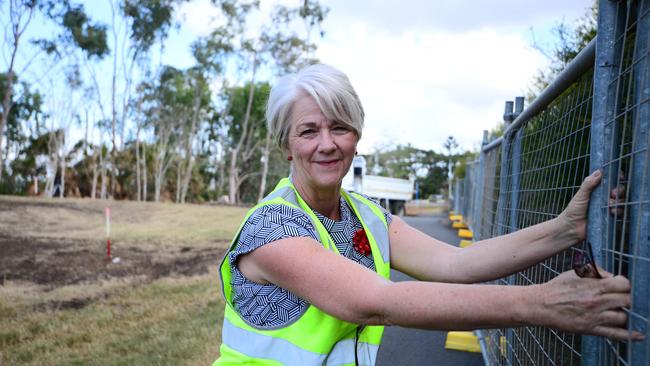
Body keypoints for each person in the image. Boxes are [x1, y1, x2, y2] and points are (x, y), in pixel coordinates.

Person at [214, 64, 643, 365]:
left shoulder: (365, 215)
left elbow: (457, 264)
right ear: (286, 146)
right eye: (309, 131)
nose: (326, 143)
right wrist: (543, 303)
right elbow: (376, 303)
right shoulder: (272, 229)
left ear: (357, 137)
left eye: (339, 127)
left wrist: (566, 229)